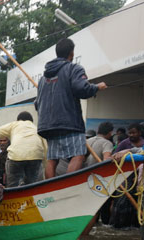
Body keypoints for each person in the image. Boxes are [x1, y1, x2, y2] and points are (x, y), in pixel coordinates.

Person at [35, 38, 108, 178]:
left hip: (47, 126)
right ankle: (65, 187)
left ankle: (51, 190)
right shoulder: (74, 68)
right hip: (69, 124)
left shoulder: (43, 79)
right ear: (71, 53)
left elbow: (37, 104)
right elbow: (82, 89)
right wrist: (97, 87)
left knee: (52, 159)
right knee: (78, 155)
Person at [0, 111, 48, 187]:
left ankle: (13, 195)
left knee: (13, 185)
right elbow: (45, 147)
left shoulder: (15, 124)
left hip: (16, 155)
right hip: (36, 156)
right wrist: (45, 164)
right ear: (31, 121)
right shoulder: (35, 128)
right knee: (32, 185)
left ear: (18, 120)